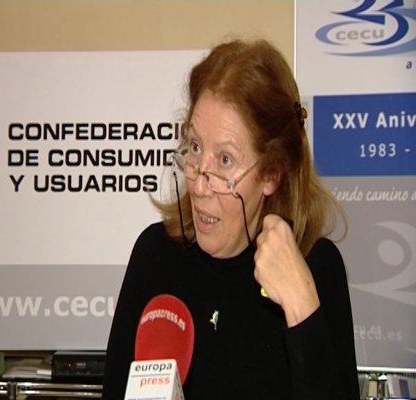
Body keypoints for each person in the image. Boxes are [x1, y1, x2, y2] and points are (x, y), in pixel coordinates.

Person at [102, 38, 359, 399]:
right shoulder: (156, 256)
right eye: (195, 147)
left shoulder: (316, 267)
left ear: (271, 173)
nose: (199, 184)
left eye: (225, 160)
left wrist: (300, 306)